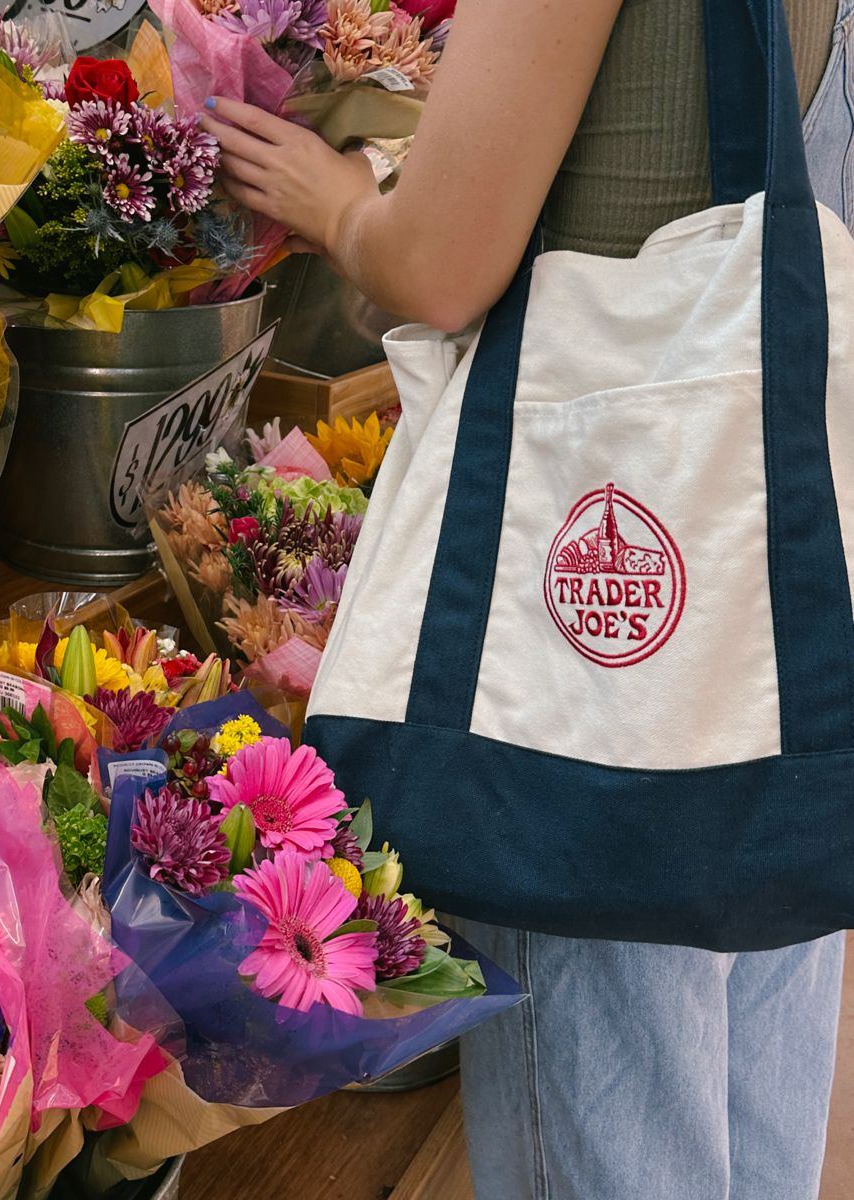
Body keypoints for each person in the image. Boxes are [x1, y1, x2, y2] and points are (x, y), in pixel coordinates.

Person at [202, 3, 851, 1197]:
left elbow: (444, 265)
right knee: (754, 1102)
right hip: (762, 633)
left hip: (591, 685)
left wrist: (341, 200)